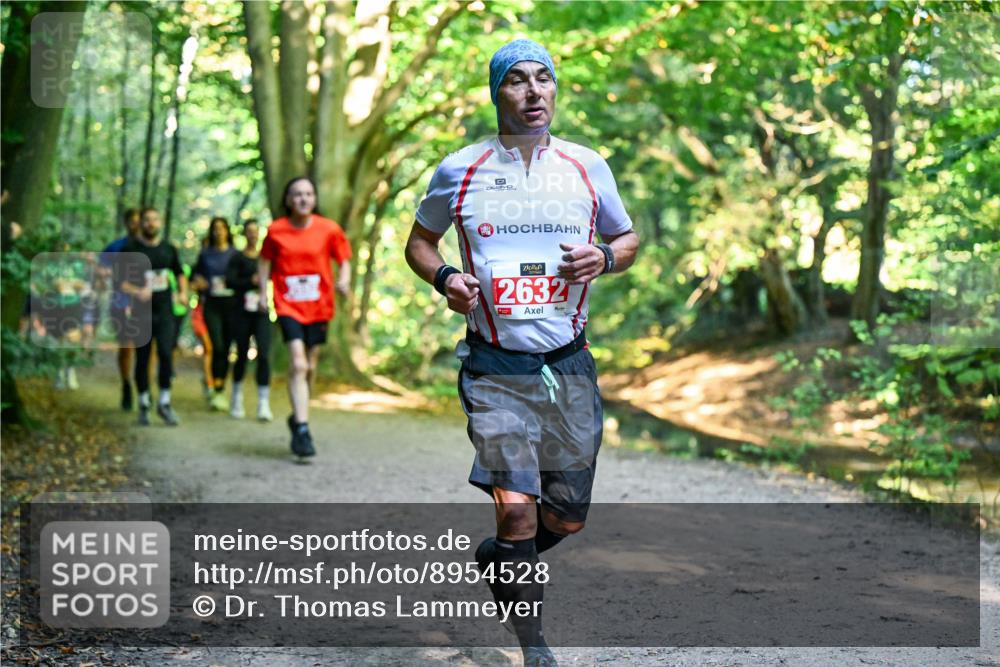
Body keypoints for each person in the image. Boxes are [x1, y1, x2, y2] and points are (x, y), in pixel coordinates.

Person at [404, 39, 639, 667]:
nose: (534, 92)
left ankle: (505, 562)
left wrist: (608, 257)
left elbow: (627, 236)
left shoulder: (588, 167)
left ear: (555, 91)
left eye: (544, 79)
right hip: (495, 365)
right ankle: (533, 646)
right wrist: (447, 277)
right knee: (517, 516)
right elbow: (419, 242)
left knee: (565, 519)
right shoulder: (461, 169)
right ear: (497, 94)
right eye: (517, 81)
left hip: (568, 363)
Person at [258, 177, 351, 457]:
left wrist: (344, 280)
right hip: (288, 305)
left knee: (310, 365)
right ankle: (301, 427)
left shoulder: (328, 229)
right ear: (288, 200)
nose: (303, 199)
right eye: (297, 194)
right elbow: (264, 262)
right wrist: (263, 293)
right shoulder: (276, 230)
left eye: (308, 194)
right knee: (298, 364)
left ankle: (299, 413)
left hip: (319, 306)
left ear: (314, 199)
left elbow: (344, 258)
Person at [116, 207, 188, 426]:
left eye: (154, 220)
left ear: (161, 222)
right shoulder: (130, 249)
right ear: (141, 224)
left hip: (165, 311)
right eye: (146, 220)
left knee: (166, 354)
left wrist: (183, 292)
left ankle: (164, 403)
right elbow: (118, 280)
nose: (150, 223)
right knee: (143, 358)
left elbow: (180, 273)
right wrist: (137, 291)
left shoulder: (169, 249)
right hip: (140, 312)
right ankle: (144, 403)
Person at [225, 220, 273, 421]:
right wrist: (249, 282)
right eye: (249, 232)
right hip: (241, 312)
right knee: (242, 354)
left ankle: (263, 403)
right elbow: (229, 281)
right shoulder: (237, 257)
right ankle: (236, 397)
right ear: (244, 234)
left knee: (264, 354)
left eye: (256, 232)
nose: (253, 235)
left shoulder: (266, 258)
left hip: (261, 311)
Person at [191, 217, 238, 412]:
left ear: (228, 231)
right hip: (211, 305)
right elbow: (194, 276)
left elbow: (243, 277)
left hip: (232, 305)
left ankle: (220, 387)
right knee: (216, 345)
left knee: (226, 348)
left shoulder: (236, 254)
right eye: (215, 228)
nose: (219, 232)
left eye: (222, 228)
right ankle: (215, 388)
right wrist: (198, 282)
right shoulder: (205, 254)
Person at [99, 208, 142, 409]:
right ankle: (126, 385)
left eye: (139, 221)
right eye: (132, 221)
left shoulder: (150, 247)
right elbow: (101, 271)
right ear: (126, 223)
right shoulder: (114, 248)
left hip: (145, 305)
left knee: (146, 348)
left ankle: (144, 387)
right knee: (126, 347)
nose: (136, 225)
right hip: (121, 303)